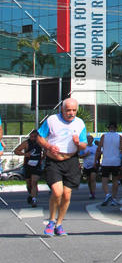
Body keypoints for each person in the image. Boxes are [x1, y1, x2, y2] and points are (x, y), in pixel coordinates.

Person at [36, 98, 87, 236]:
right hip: (53, 161)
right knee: (57, 192)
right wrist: (49, 146)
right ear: (62, 110)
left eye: (74, 110)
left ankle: (59, 224)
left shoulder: (80, 123)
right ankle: (51, 221)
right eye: (68, 110)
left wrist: (78, 143)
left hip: (71, 161)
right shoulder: (52, 120)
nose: (71, 113)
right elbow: (39, 137)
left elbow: (84, 145)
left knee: (66, 195)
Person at [96, 121, 122, 206]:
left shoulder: (104, 136)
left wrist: (96, 160)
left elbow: (99, 149)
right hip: (116, 162)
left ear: (108, 128)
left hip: (106, 162)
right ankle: (113, 198)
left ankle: (107, 194)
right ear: (116, 128)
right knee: (115, 180)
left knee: (104, 180)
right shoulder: (119, 137)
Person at [15, 129, 44, 206]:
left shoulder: (40, 143)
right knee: (29, 184)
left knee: (34, 182)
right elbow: (16, 151)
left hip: (37, 165)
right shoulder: (26, 143)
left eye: (35, 137)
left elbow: (46, 150)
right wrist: (25, 154)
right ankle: (31, 195)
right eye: (31, 136)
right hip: (27, 166)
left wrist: (43, 157)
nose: (33, 138)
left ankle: (34, 199)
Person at [79, 134, 98, 199]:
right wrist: (85, 155)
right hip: (86, 165)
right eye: (88, 139)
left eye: (90, 139)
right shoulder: (84, 147)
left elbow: (99, 155)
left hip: (94, 165)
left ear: (92, 140)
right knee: (89, 180)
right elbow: (79, 156)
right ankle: (90, 191)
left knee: (93, 179)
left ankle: (93, 193)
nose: (89, 140)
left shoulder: (95, 147)